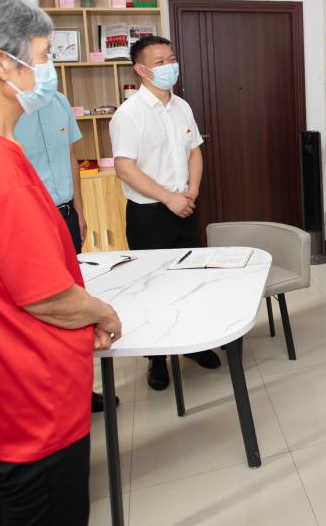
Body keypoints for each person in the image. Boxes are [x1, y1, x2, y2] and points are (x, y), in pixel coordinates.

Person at [0, 0, 122, 525]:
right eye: (42, 56)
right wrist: (103, 313)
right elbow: (47, 297)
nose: (47, 70)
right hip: (30, 395)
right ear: (1, 64)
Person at [110, 35, 219, 391]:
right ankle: (156, 360)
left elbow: (194, 151)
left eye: (171, 58)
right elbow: (125, 168)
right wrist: (168, 198)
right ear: (141, 70)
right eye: (159, 62)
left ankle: (192, 345)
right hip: (149, 215)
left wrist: (192, 191)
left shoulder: (181, 106)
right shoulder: (130, 114)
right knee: (152, 288)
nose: (169, 66)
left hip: (185, 206)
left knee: (189, 280)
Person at [14, 87, 117, 414]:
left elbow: (71, 158)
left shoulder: (59, 101)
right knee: (44, 306)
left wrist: (80, 211)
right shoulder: (8, 110)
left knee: (72, 299)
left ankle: (80, 388)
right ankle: (47, 393)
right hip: (30, 217)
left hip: (66, 213)